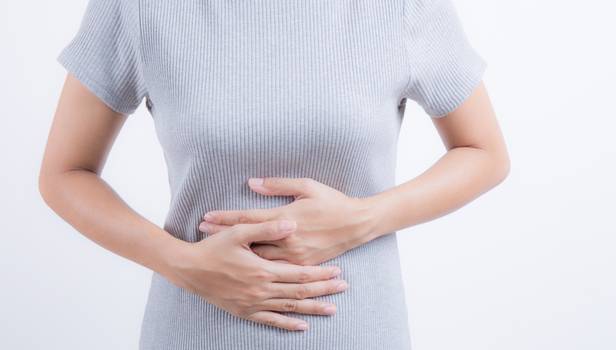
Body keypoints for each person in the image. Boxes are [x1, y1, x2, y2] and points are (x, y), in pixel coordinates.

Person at [39, 0, 510, 349]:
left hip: (356, 330)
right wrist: (182, 263)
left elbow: (484, 152)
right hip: (195, 330)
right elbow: (65, 173)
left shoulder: (401, 7)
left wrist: (362, 219)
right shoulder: (139, 8)